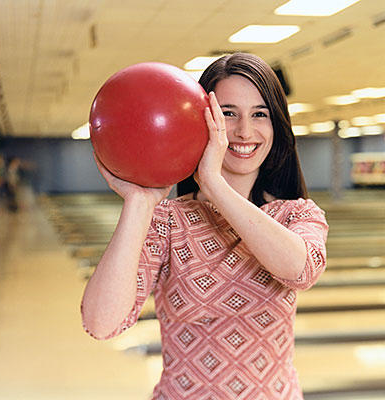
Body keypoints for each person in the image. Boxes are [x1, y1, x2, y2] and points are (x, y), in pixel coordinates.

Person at [81, 53, 328, 399]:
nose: (244, 130)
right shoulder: (167, 222)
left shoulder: (297, 216)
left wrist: (214, 184)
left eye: (260, 114)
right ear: (201, 121)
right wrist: (139, 203)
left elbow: (301, 271)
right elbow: (101, 323)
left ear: (277, 127)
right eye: (227, 113)